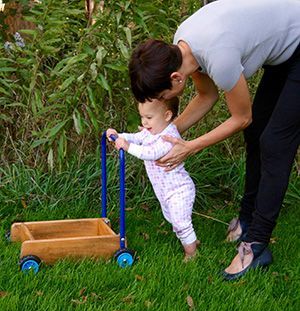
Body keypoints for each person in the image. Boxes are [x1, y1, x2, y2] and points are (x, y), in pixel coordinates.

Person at [128, 0, 300, 280]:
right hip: (284, 50)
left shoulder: (218, 57)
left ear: (174, 78)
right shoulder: (181, 47)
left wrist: (191, 147)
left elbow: (242, 116)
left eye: (162, 97)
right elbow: (207, 96)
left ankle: (255, 246)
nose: (164, 104)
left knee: (274, 143)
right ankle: (247, 220)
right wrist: (168, 135)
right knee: (257, 135)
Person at [107, 97, 199, 261]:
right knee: (173, 220)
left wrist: (126, 146)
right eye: (142, 117)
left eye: (149, 118)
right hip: (165, 190)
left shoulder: (168, 137)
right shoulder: (151, 132)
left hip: (179, 189)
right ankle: (190, 239)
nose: (144, 122)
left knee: (180, 223)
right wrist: (118, 135)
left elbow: (150, 153)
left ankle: (191, 253)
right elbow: (136, 137)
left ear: (167, 116)